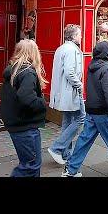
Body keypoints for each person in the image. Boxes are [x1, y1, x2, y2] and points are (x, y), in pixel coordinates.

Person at [62, 41, 108, 177]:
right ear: (107, 54)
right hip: (103, 111)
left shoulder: (91, 66)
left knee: (84, 140)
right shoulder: (107, 69)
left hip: (91, 110)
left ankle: (71, 169)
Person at [0, 39, 47, 177]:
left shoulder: (14, 70)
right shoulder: (28, 72)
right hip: (25, 126)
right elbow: (26, 97)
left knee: (31, 164)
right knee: (31, 166)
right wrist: (42, 103)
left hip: (17, 124)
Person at [47, 24, 86, 166]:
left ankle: (65, 153)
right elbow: (70, 72)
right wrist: (79, 84)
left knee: (67, 121)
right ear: (74, 36)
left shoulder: (61, 48)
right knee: (81, 117)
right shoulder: (72, 50)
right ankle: (57, 148)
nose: (81, 36)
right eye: (79, 34)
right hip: (71, 92)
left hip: (63, 92)